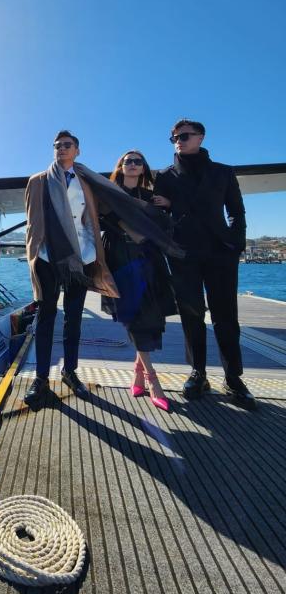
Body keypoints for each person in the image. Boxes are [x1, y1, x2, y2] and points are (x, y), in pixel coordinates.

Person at [153, 119, 256, 408]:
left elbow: (236, 210)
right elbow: (160, 217)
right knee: (191, 314)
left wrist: (236, 244)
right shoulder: (165, 176)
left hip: (220, 252)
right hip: (183, 253)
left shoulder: (223, 172)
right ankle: (198, 372)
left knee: (226, 315)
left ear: (201, 137)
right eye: (173, 136)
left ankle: (233, 377)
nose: (178, 140)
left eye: (184, 135)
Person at [23, 130, 119, 406]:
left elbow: (104, 209)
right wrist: (33, 256)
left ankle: (70, 371)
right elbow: (32, 223)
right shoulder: (38, 181)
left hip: (81, 257)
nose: (61, 149)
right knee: (45, 317)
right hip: (47, 256)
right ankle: (40, 378)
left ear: (77, 150)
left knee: (73, 318)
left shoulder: (87, 181)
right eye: (57, 146)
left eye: (67, 145)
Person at [101, 150, 177, 413]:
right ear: (120, 167)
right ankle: (153, 379)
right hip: (120, 258)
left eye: (138, 161)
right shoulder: (109, 193)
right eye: (127, 161)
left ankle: (137, 370)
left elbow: (166, 227)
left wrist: (167, 206)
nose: (132, 165)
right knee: (133, 316)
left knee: (149, 315)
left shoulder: (151, 198)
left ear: (143, 168)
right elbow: (99, 221)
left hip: (148, 259)